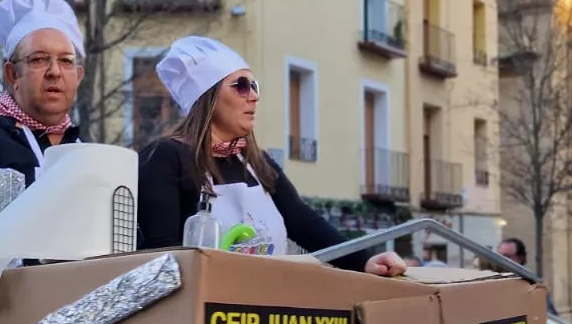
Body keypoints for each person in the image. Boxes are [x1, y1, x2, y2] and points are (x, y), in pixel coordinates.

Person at [135, 36, 406, 276]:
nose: (253, 96)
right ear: (206, 97)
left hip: (265, 310)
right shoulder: (164, 157)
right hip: (203, 313)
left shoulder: (256, 162)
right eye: (240, 85)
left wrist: (364, 260)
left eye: (255, 86)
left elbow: (302, 221)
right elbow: (160, 256)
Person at [0, 0, 86, 186]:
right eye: (39, 59)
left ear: (78, 76)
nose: (55, 71)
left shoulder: (83, 151)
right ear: (12, 74)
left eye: (66, 61)